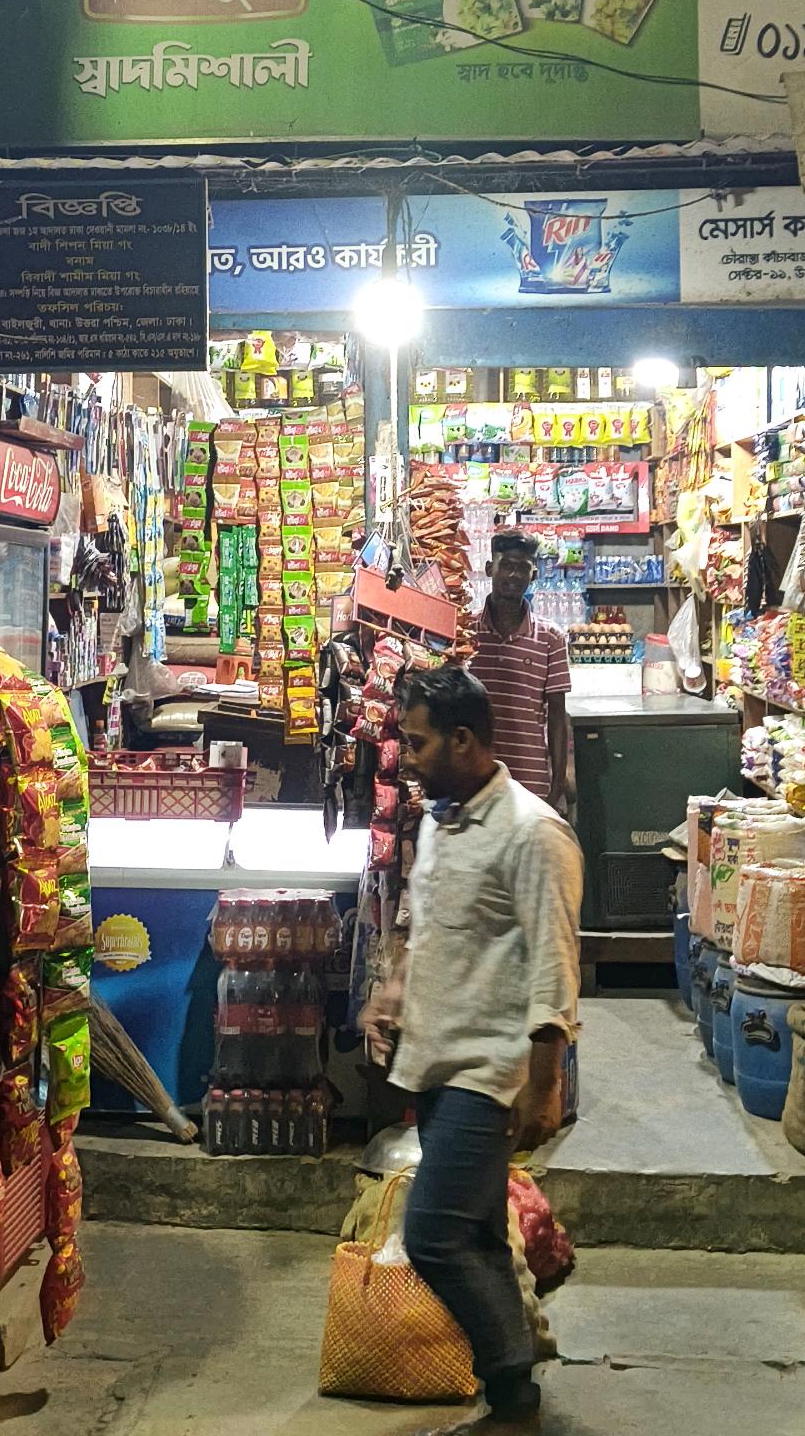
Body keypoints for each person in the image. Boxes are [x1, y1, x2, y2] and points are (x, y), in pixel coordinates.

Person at [362, 665, 583, 1431]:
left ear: (462, 739)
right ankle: (513, 1381)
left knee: (434, 1234)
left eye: (418, 742)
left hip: (489, 1072)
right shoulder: (443, 820)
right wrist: (394, 991)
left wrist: (545, 1083)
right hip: (438, 1057)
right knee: (478, 1233)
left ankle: (514, 1393)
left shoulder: (532, 833)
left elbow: (556, 967)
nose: (407, 757)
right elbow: (431, 925)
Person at [468, 532, 572, 812]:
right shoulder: (466, 633)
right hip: (474, 778)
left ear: (533, 575)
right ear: (489, 568)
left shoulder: (551, 638)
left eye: (523, 568)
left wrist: (558, 783)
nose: (513, 575)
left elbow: (557, 716)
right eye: (506, 565)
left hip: (531, 781)